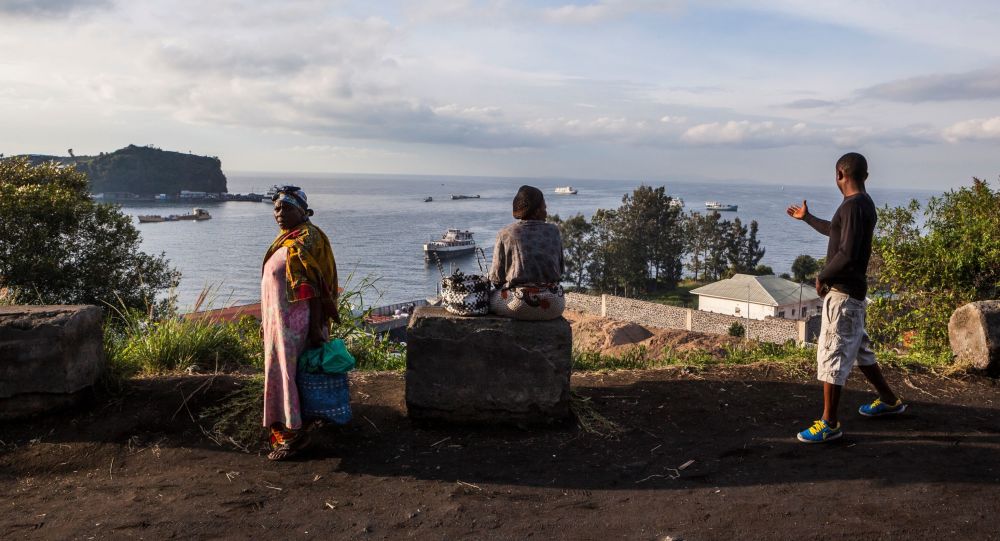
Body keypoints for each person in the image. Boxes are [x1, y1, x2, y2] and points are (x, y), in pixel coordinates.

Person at [786, 152, 906, 444]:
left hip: (843, 296)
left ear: (840, 174)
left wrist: (823, 275)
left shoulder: (852, 207)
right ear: (865, 176)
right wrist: (808, 218)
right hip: (853, 294)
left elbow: (847, 253)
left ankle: (829, 423)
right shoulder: (862, 204)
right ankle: (889, 400)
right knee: (860, 350)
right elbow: (836, 233)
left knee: (832, 355)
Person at [261, 186, 340, 460]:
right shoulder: (287, 239)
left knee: (294, 377)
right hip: (280, 326)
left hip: (299, 326)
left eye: (286, 207)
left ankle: (297, 435)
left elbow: (318, 288)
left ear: (303, 211)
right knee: (284, 375)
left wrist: (317, 327)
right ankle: (288, 429)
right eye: (276, 208)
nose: (279, 213)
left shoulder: (310, 239)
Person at [488, 185, 566, 320]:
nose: (546, 213)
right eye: (544, 208)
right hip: (554, 304)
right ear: (535, 211)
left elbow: (496, 278)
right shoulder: (554, 231)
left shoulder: (505, 233)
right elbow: (560, 270)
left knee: (488, 298)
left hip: (520, 304)